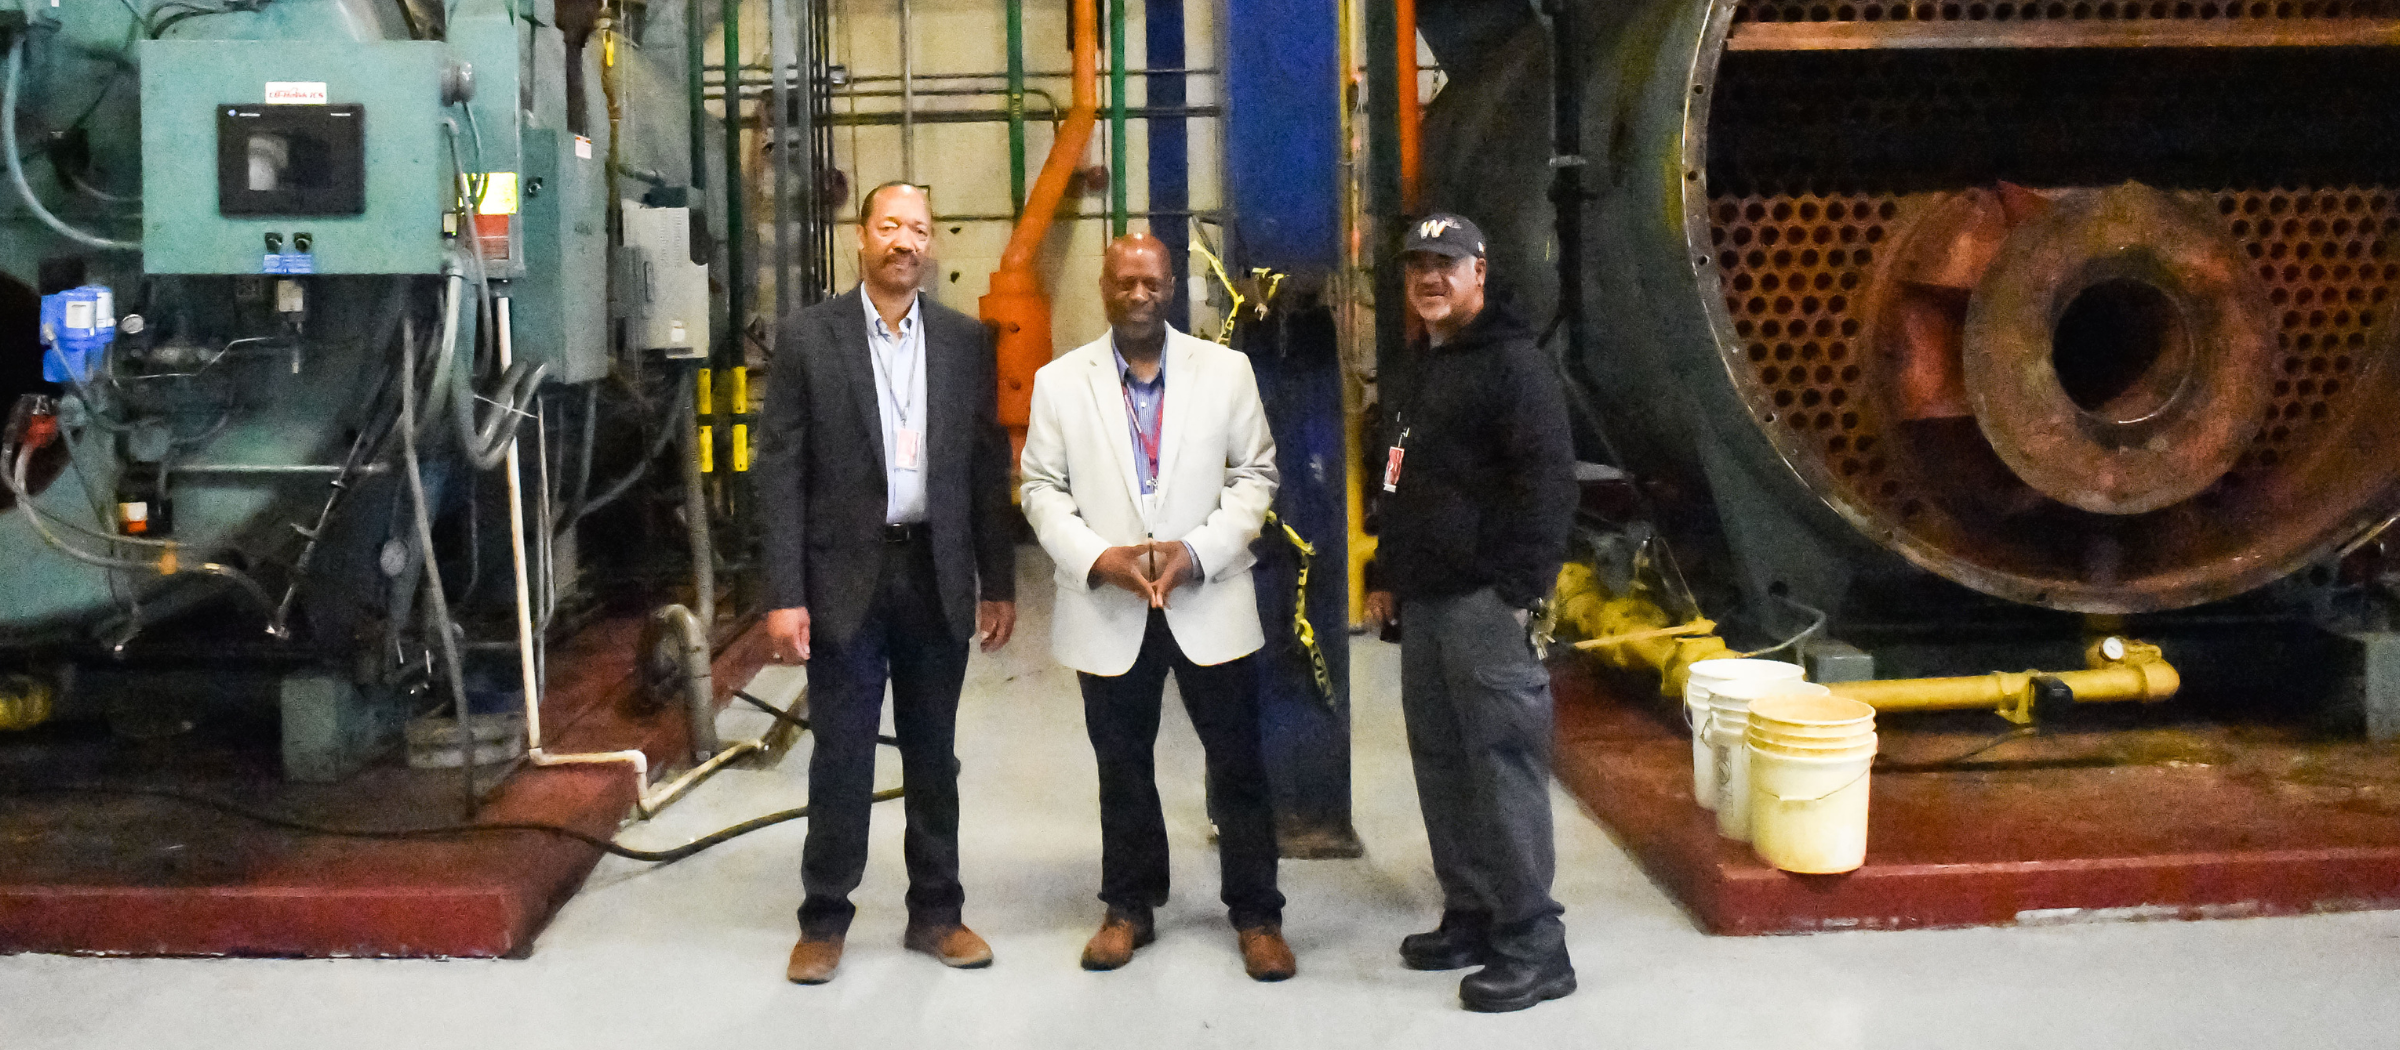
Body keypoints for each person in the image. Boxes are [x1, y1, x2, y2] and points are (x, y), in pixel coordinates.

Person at [756, 182, 1018, 985]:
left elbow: (983, 467)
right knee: (842, 754)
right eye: (890, 226)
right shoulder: (808, 337)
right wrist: (782, 592)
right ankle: (824, 917)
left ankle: (937, 913)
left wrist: (998, 580)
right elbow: (780, 470)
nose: (905, 241)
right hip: (844, 578)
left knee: (934, 754)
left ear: (932, 245)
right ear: (862, 237)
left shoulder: (966, 341)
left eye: (920, 229)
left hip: (936, 572)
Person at [1018, 234, 1294, 981]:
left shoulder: (1225, 372)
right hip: (1110, 605)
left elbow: (1256, 473)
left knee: (1238, 763)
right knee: (1122, 764)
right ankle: (1128, 907)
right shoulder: (1058, 383)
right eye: (1123, 282)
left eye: (1151, 281)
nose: (1137, 294)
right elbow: (1040, 488)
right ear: (1103, 288)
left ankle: (1257, 913)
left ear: (1172, 286)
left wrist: (1198, 551)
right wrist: (1094, 558)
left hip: (1208, 594)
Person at [1364, 213, 1579, 1012]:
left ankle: (1535, 943)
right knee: (1443, 761)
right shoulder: (1423, 364)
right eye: (1418, 264)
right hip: (1425, 603)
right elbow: (1400, 476)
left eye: (1446, 264)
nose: (1430, 277)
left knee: (1503, 765)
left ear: (1479, 272)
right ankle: (1473, 912)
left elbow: (1549, 486)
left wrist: (1517, 590)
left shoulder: (1514, 369)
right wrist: (1388, 570)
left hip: (1485, 606)